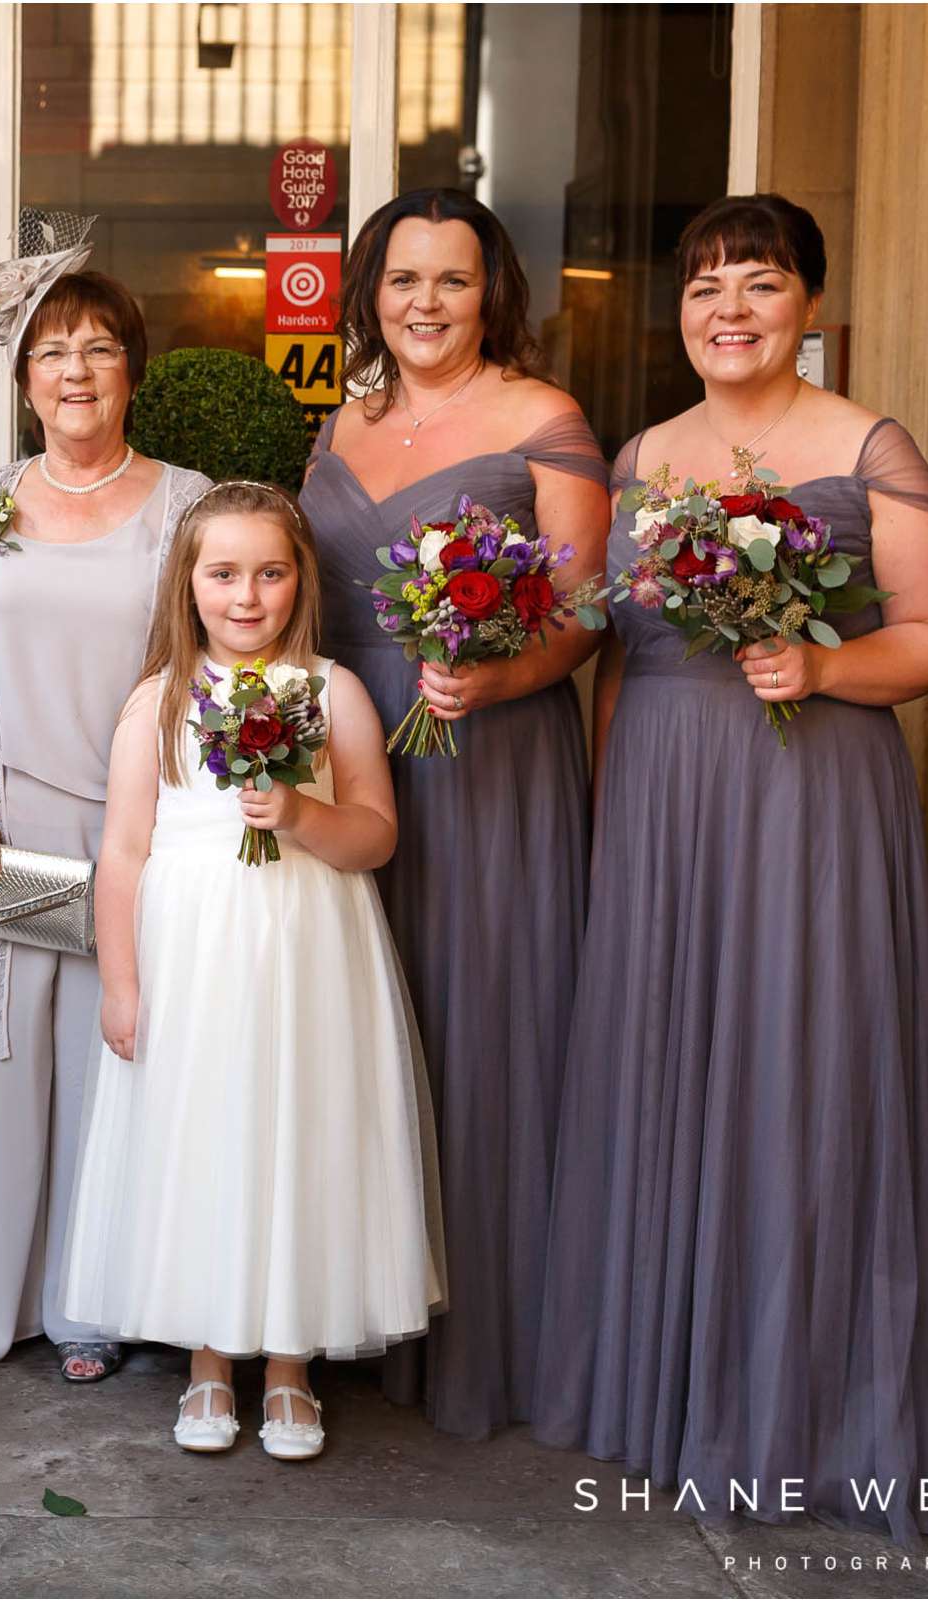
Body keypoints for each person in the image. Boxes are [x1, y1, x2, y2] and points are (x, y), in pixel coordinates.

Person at [532, 194, 928, 1543]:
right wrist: (613, 809)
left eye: (761, 281)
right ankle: (683, 1391)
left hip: (807, 786)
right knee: (674, 1063)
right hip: (668, 792)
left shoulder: (864, 441)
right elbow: (617, 652)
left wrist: (834, 664)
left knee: (807, 1068)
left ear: (809, 303)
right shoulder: (642, 452)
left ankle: (813, 1403)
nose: (730, 306)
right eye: (706, 285)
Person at [295, 187, 608, 1440]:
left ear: (495, 293)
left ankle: (488, 1330)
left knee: (481, 1018)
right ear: (372, 291)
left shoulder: (545, 418)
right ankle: (362, 1311)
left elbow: (585, 612)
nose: (427, 303)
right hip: (348, 751)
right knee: (360, 1016)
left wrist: (494, 675)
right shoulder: (341, 418)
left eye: (455, 281)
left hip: (489, 751)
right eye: (405, 279)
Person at [59, 481, 446, 1459]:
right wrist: (120, 981)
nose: (246, 595)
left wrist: (303, 818)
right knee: (204, 1140)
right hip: (191, 962)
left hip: (308, 959)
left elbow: (377, 834)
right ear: (187, 585)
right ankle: (207, 1360)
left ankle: (288, 1366)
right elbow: (122, 853)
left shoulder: (332, 693)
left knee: (296, 1137)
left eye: (270, 573)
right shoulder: (156, 703)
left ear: (299, 581)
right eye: (223, 573)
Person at [0, 252, 211, 1383]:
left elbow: (220, 655)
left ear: (131, 369)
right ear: (24, 380)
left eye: (97, 348)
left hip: (135, 829)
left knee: (107, 1063)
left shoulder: (185, 503)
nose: (75, 370)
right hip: (0, 820)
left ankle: (89, 1307)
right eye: (52, 352)